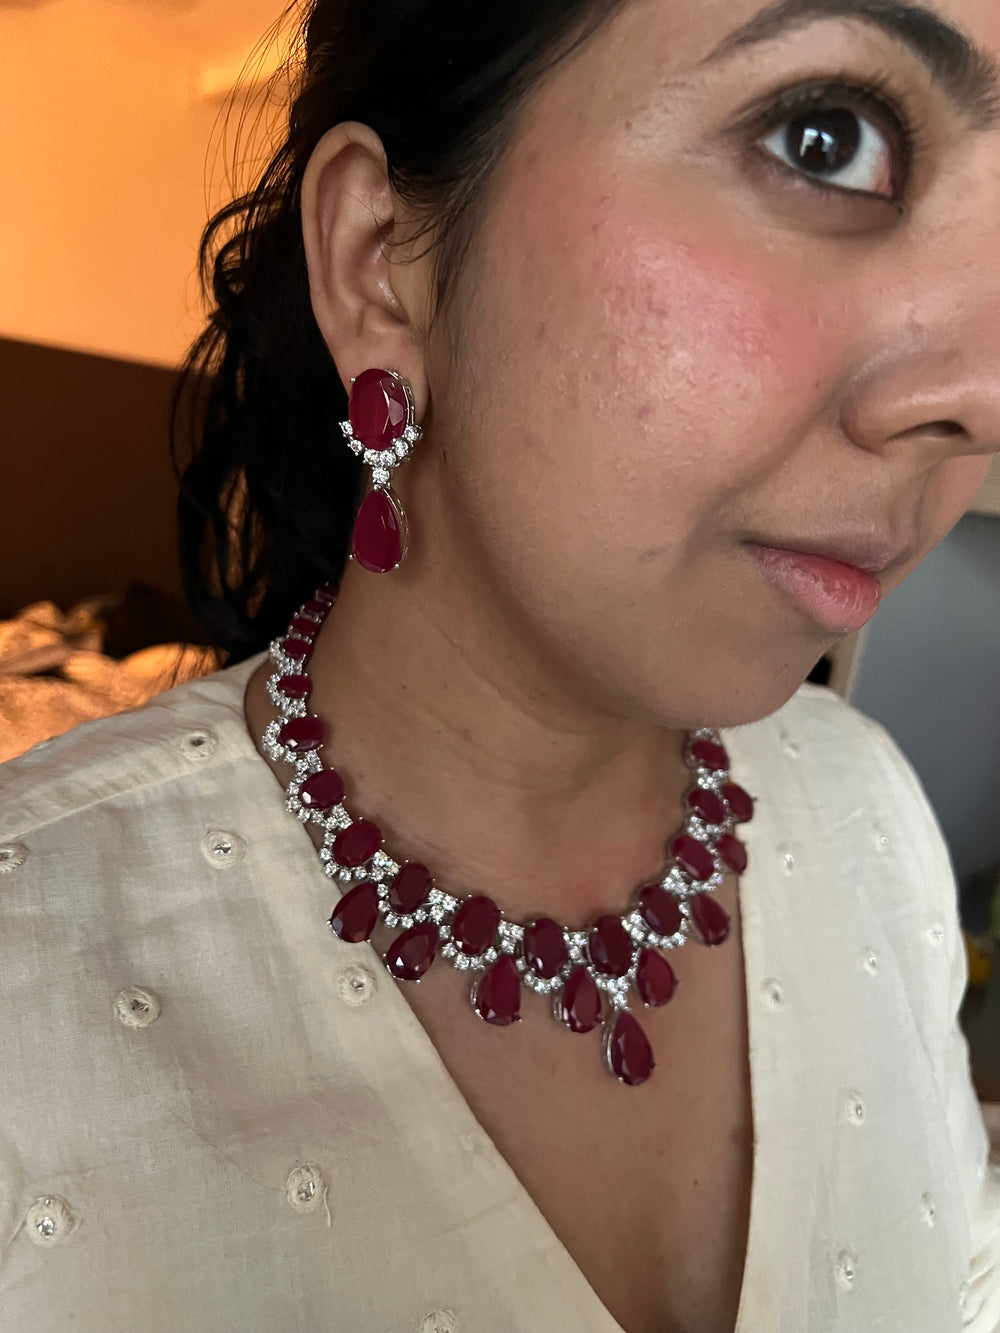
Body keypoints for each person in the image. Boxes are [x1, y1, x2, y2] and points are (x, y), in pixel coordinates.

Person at [2, 0, 999, 1329]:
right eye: (826, 139)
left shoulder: (871, 808)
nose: (980, 397)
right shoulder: (31, 993)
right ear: (380, 262)